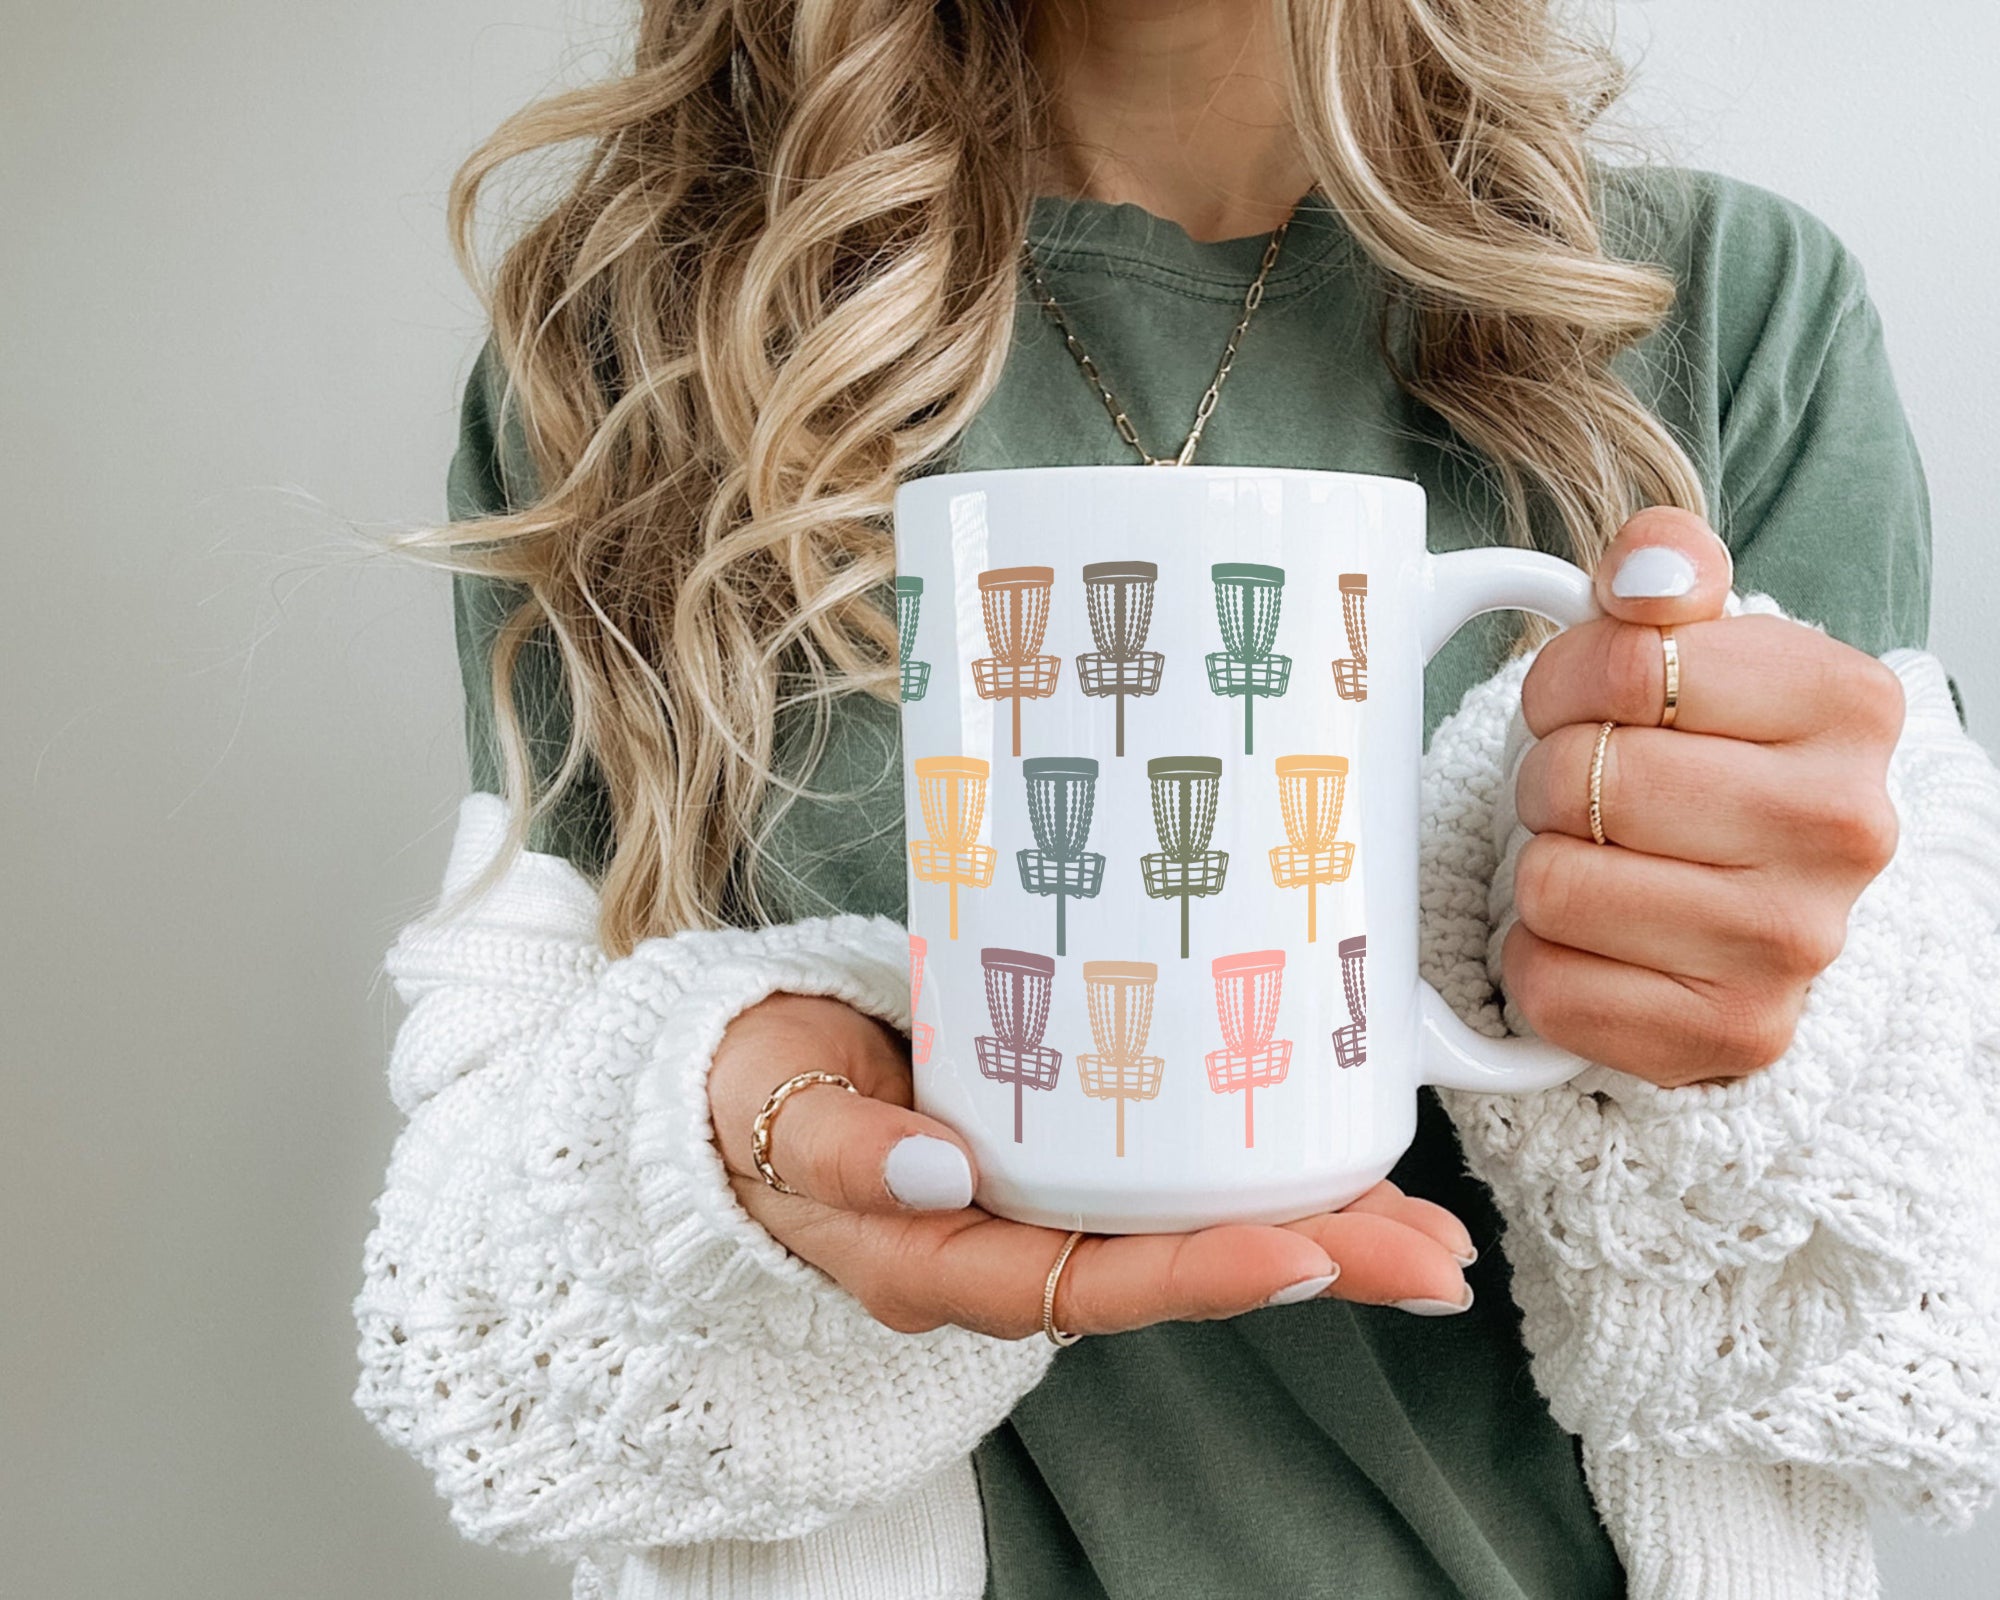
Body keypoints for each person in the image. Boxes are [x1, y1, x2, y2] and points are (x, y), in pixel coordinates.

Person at [352, 0, 2000, 1595]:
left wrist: (1749, 1019)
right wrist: (709, 1163)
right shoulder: (632, 351)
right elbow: (483, 1285)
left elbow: (1921, 1285)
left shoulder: (1715, 309)